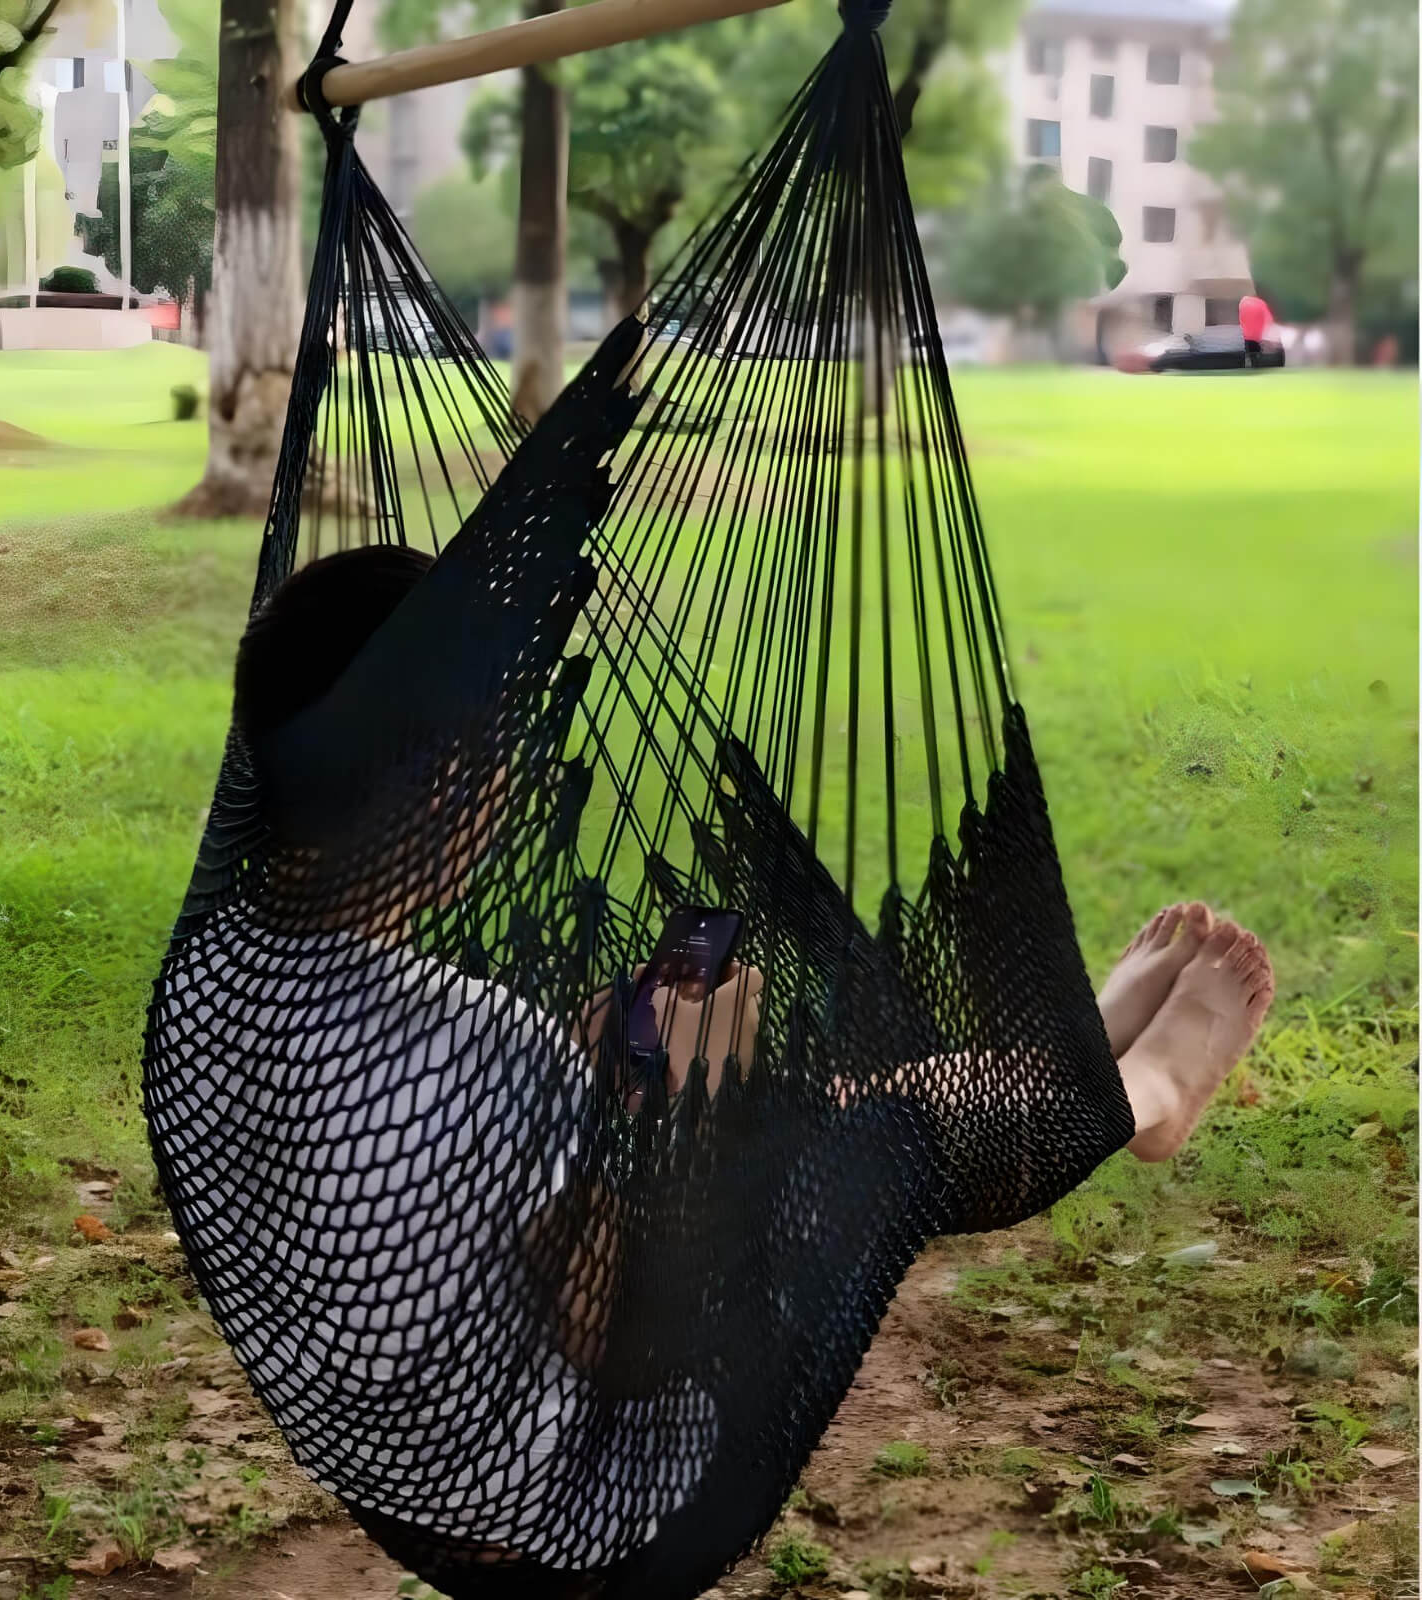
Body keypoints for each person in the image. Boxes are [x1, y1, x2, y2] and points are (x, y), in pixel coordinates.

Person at [149, 543, 1275, 1571]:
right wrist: (667, 1119)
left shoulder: (207, 979)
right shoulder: (461, 1055)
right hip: (567, 1508)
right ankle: (1133, 1092)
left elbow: (417, 1208)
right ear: (446, 791)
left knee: (811, 1095)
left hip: (390, 1461)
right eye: (507, 748)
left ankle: (1066, 1057)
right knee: (875, 1144)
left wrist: (607, 1084)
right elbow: (612, 1340)